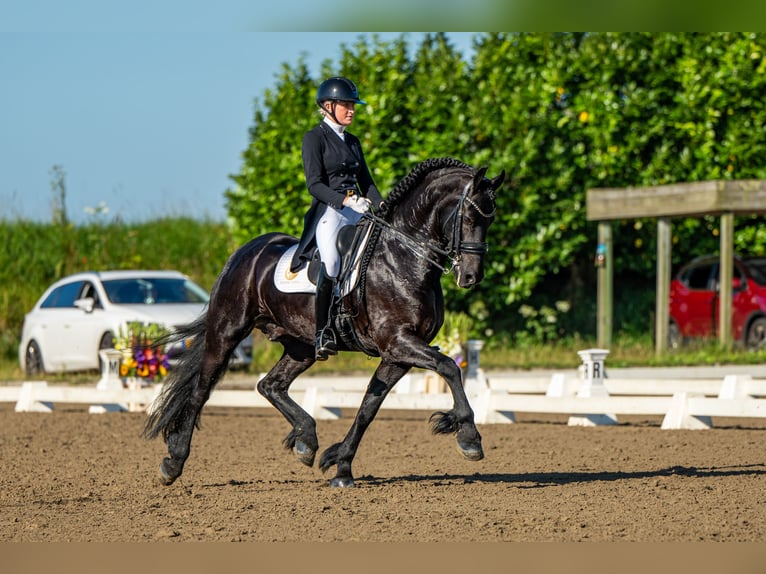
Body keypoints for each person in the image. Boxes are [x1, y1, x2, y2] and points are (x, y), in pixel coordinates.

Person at [290, 76, 384, 361]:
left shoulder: (353, 141)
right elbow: (314, 185)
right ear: (328, 106)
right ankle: (323, 332)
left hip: (358, 210)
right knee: (331, 261)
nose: (352, 109)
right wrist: (343, 200)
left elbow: (366, 182)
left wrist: (382, 206)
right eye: (346, 104)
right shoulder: (314, 138)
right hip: (331, 211)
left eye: (353, 105)